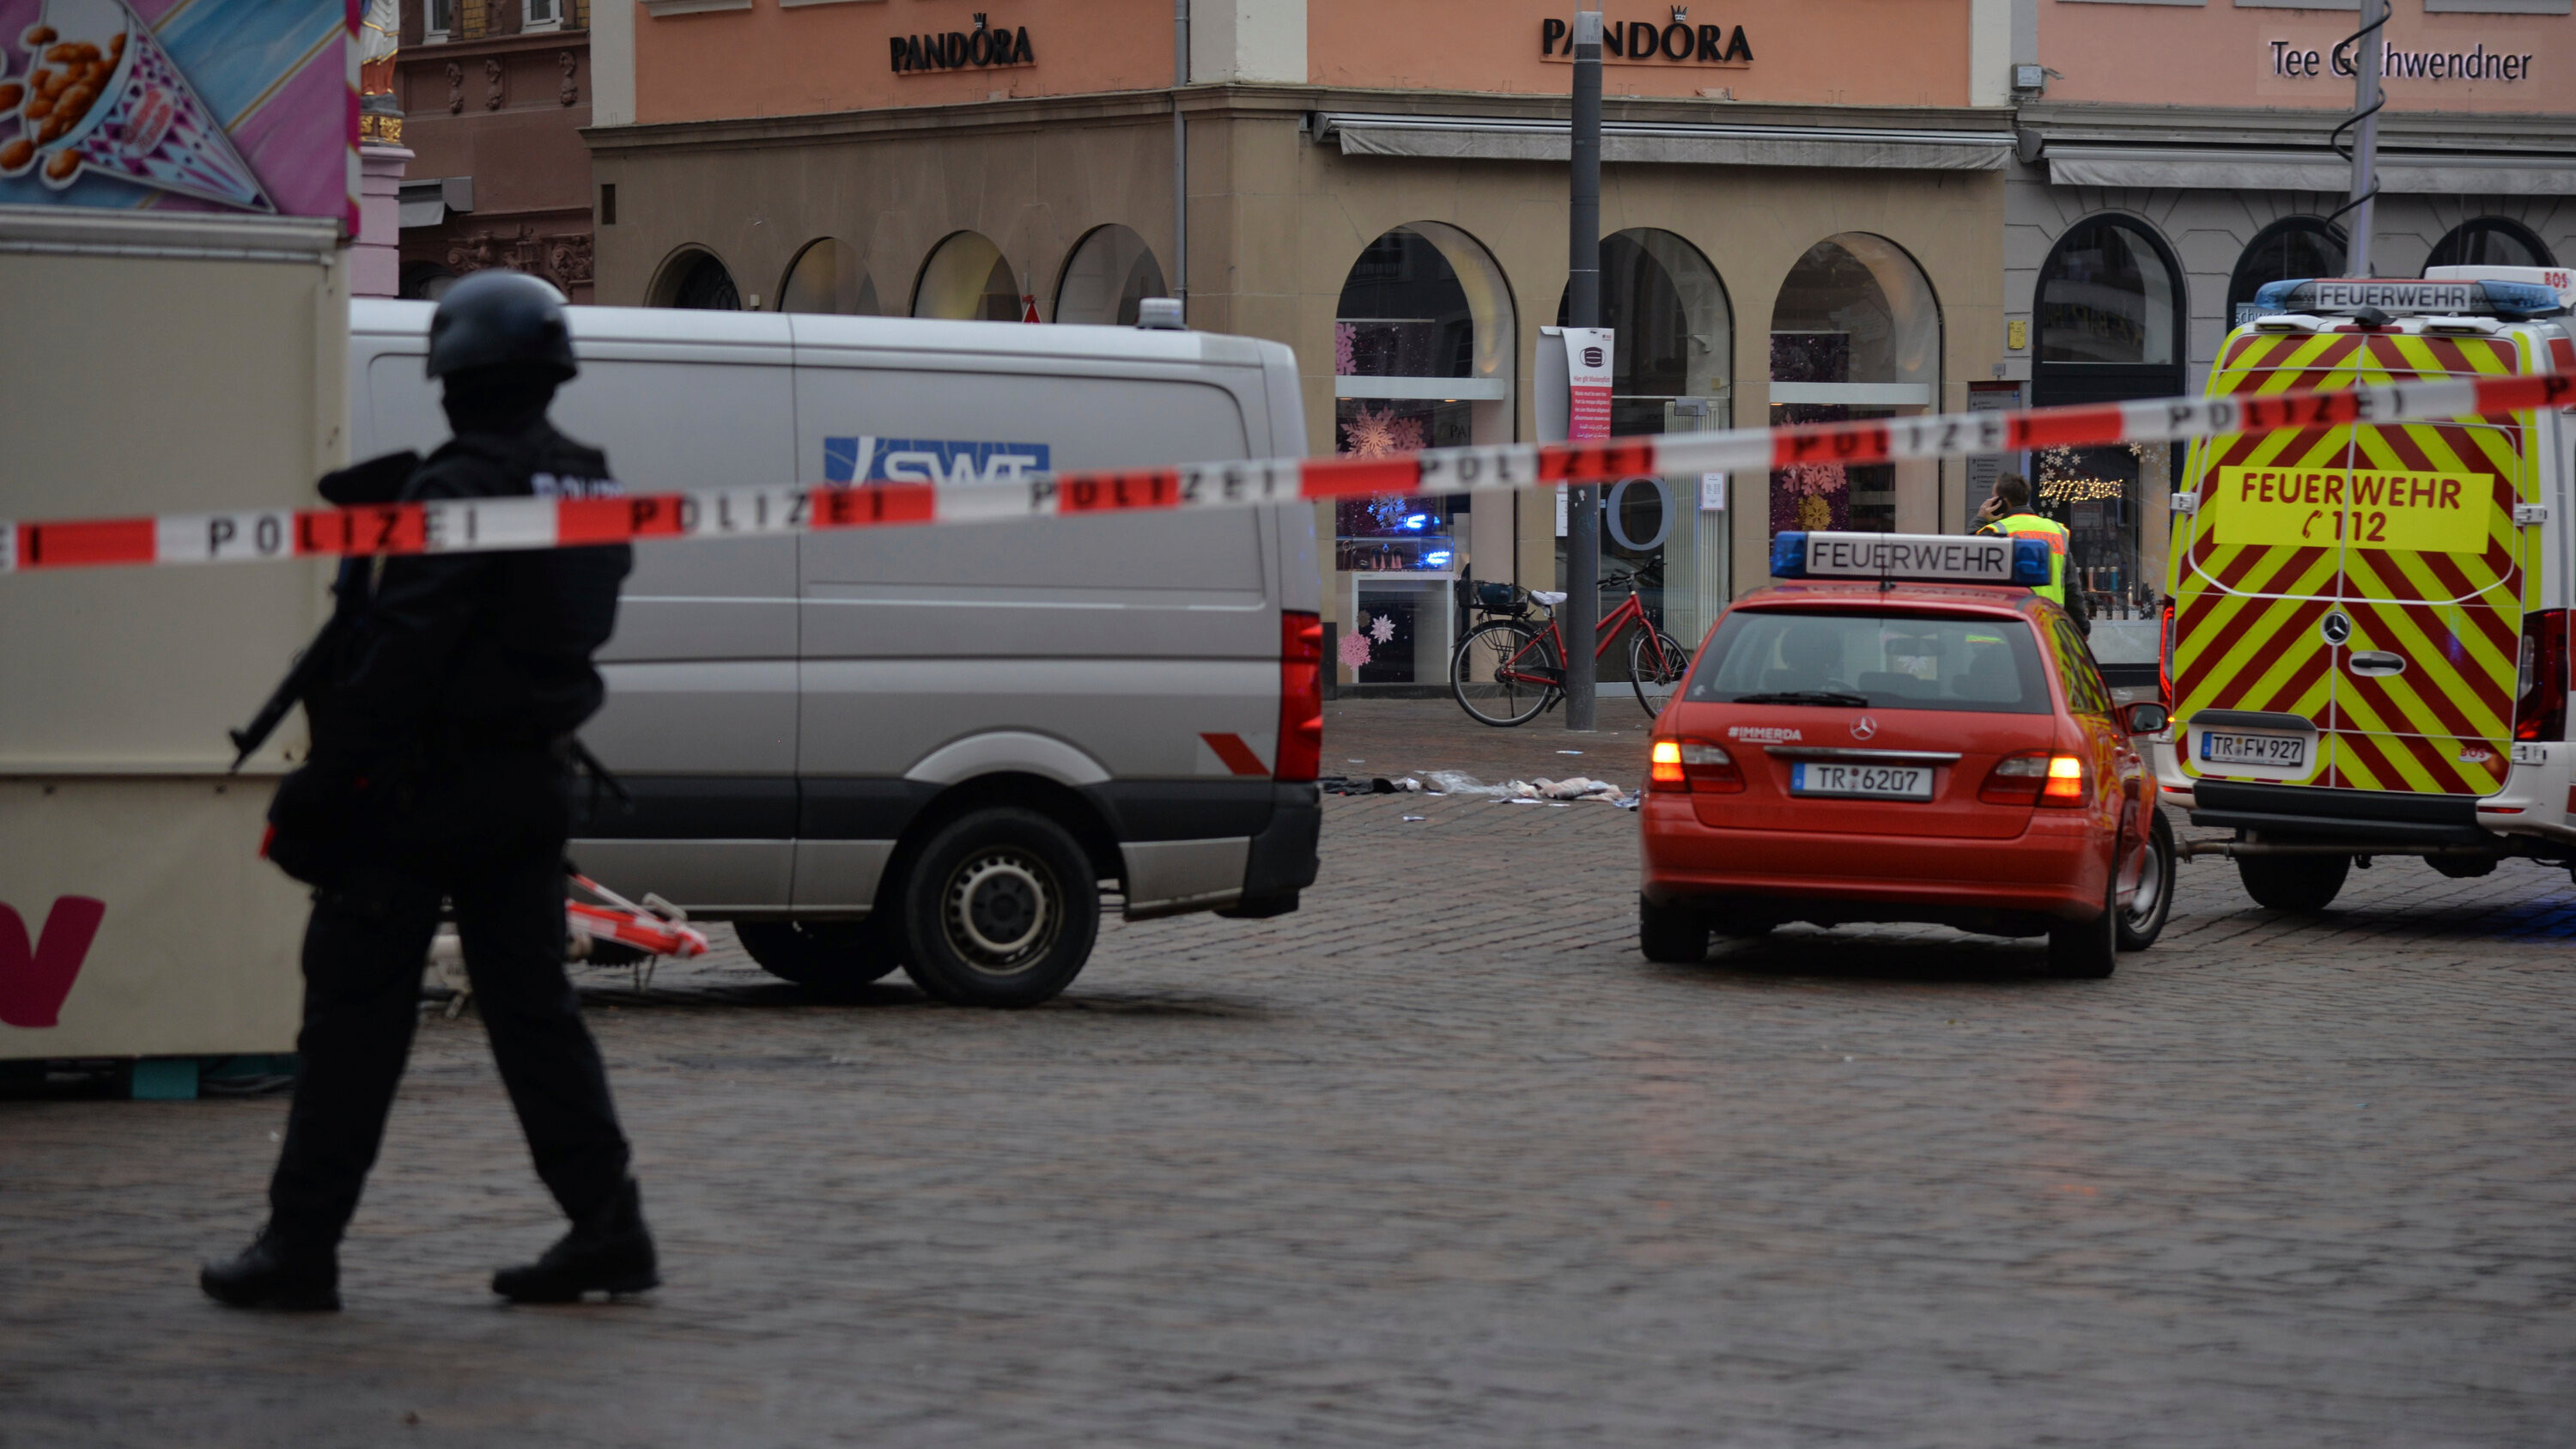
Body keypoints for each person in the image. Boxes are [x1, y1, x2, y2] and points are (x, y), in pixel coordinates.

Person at [202, 271, 654, 1312]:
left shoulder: (455, 491)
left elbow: (402, 653)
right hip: (529, 784)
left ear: (458, 377)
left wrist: (330, 781)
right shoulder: (588, 483)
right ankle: (608, 1225)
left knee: (353, 1022)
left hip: (418, 794)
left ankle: (300, 1247)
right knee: (538, 1018)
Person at [1975, 472, 2087, 635]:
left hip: (2009, 625)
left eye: (1993, 499)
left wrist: (1980, 518)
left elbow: (1970, 560)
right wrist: (2083, 627)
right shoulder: (2056, 531)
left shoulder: (1996, 531)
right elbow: (2071, 587)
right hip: (2049, 626)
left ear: (2001, 502)